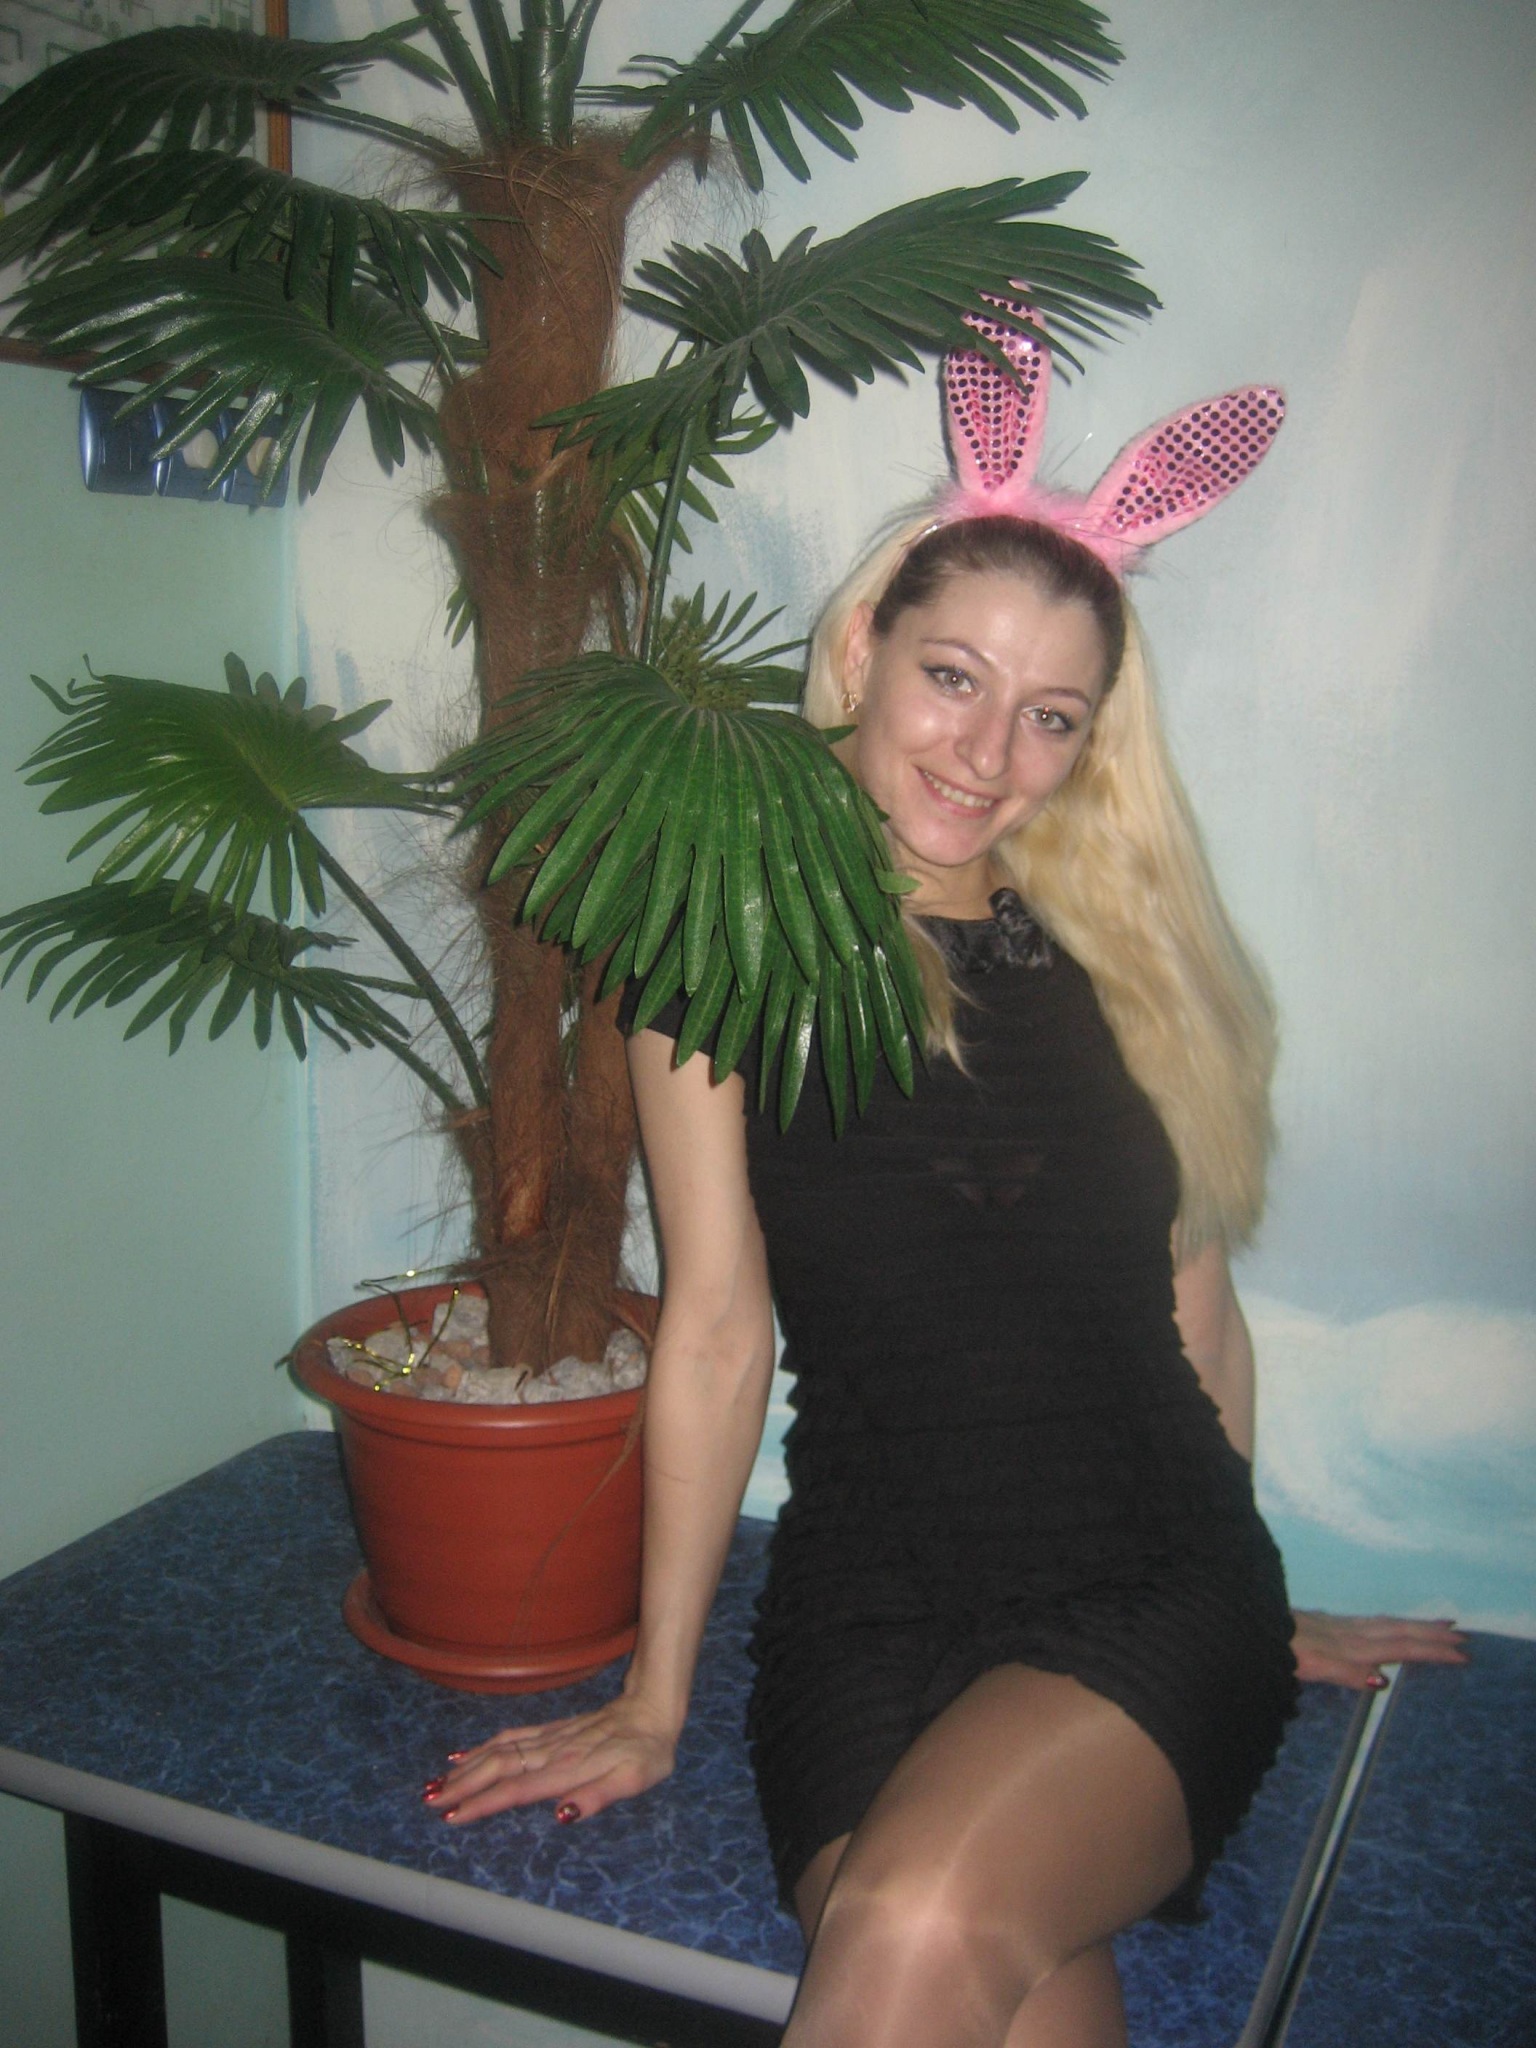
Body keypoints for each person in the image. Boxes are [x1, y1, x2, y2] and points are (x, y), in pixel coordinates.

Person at [426, 318, 1467, 2047]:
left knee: (911, 1920)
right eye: (955, 677)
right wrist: (657, 1697)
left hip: (1148, 1577)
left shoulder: (1125, 962)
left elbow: (1198, 1311)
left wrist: (1255, 1588)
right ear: (865, 644)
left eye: (1051, 716)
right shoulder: (716, 952)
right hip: (870, 1603)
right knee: (981, 1971)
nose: (989, 754)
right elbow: (715, 1332)